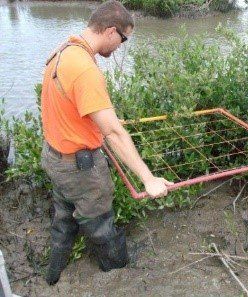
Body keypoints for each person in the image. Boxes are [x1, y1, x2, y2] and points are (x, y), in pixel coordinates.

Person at [40, 0, 173, 286]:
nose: (121, 45)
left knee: (64, 216)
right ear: (111, 31)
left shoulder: (64, 50)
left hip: (54, 158)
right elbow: (113, 134)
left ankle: (52, 277)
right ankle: (117, 276)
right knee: (100, 224)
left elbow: (72, 108)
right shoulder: (86, 70)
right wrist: (148, 179)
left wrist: (105, 124)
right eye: (123, 39)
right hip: (80, 169)